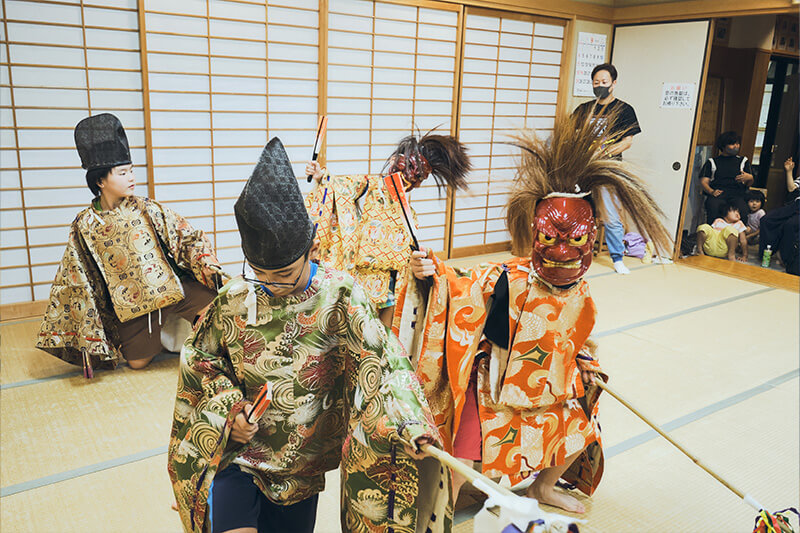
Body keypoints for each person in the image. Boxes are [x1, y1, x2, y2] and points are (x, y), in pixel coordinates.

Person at [167, 138, 450, 533]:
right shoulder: (236, 296)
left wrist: (409, 423)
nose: (271, 286)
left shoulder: (340, 294)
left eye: (283, 274)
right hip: (240, 453)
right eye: (259, 273)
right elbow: (202, 361)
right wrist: (231, 412)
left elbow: (382, 363)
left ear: (311, 249)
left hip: (302, 465)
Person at [392, 114, 671, 513]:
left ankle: (542, 488)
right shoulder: (509, 276)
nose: (561, 251)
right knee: (463, 457)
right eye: (550, 239)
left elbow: (576, 335)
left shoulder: (582, 288)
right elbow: (458, 285)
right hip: (495, 387)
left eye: (574, 240)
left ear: (589, 240)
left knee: (580, 431)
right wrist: (431, 272)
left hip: (552, 387)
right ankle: (440, 511)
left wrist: (586, 362)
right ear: (535, 233)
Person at [36, 113, 222, 376]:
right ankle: (160, 334)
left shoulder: (146, 208)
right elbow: (75, 274)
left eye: (132, 170)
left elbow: (185, 234)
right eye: (123, 173)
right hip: (132, 308)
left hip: (174, 290)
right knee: (138, 364)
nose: (132, 177)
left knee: (217, 311)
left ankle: (177, 328)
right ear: (100, 180)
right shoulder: (85, 224)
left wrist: (206, 261)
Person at [305, 133, 470, 326]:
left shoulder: (409, 213)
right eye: (409, 169)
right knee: (357, 323)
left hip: (391, 278)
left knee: (386, 330)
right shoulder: (368, 186)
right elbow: (339, 186)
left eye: (419, 177)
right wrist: (321, 176)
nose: (412, 180)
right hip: (360, 274)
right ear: (394, 161)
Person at [572, 63, 642, 275]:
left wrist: (604, 152)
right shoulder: (583, 109)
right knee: (576, 212)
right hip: (582, 169)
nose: (600, 85)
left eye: (604, 82)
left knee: (611, 215)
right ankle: (575, 253)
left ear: (613, 83)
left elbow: (627, 141)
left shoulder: (624, 110)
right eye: (596, 82)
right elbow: (572, 136)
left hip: (608, 169)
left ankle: (617, 257)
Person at [699, 131, 753, 224]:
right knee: (713, 207)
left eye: (737, 143)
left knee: (743, 210)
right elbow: (704, 181)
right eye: (732, 144)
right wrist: (711, 191)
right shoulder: (712, 162)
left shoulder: (743, 161)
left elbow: (750, 182)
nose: (736, 146)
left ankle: (739, 236)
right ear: (723, 146)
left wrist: (749, 177)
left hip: (737, 194)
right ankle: (713, 234)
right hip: (719, 193)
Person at [759, 157, 800, 274]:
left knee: (790, 225)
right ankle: (767, 253)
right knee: (767, 219)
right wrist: (789, 171)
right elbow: (791, 188)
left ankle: (786, 258)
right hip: (796, 205)